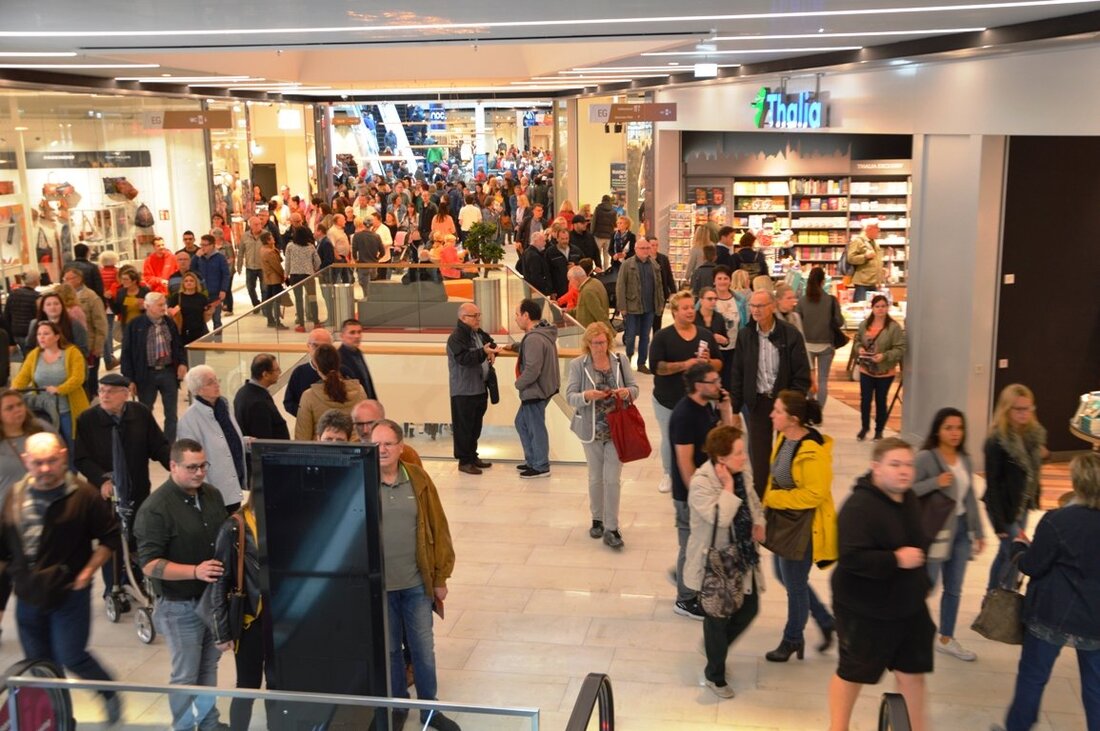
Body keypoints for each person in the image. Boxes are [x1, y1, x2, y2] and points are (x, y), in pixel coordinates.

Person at [0, 432, 122, 724]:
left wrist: (86, 573)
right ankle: (62, 719)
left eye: (51, 461)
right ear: (27, 461)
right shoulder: (15, 496)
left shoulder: (83, 495)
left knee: (71, 654)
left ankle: (109, 693)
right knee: (43, 668)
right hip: (29, 595)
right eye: (38, 462)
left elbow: (110, 537)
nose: (45, 469)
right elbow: (5, 550)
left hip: (69, 593)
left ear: (63, 456)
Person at [828, 438, 933, 731]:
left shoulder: (909, 497)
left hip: (907, 605)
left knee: (912, 672)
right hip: (864, 610)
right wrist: (895, 559)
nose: (904, 471)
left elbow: (918, 543)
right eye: (895, 464)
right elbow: (850, 557)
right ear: (876, 467)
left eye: (908, 465)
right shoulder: (858, 507)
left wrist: (922, 581)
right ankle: (838, 727)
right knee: (854, 673)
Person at [996, 452, 1100, 731]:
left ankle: (1017, 727)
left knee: (1033, 677)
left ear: (1077, 482)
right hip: (1095, 621)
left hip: (1051, 613)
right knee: (1095, 687)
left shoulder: (1057, 521)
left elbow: (1033, 566)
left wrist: (1020, 547)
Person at [368, 419, 460, 731]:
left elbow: (439, 526)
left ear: (400, 447)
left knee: (422, 649)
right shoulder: (362, 483)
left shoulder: (418, 479)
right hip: (380, 588)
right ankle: (398, 706)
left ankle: (429, 709)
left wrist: (440, 578)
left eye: (388, 444)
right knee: (391, 649)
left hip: (416, 586)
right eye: (376, 444)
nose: (381, 450)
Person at [135, 438, 229, 731]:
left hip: (212, 602)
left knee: (208, 667)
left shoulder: (212, 495)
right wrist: (195, 571)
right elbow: (150, 564)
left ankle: (209, 723)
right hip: (179, 607)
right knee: (186, 674)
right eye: (192, 467)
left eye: (203, 465)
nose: (199, 472)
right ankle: (185, 727)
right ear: (173, 466)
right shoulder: (155, 509)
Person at [685, 424, 765, 699]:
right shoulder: (701, 482)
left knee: (750, 608)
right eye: (739, 453)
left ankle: (714, 647)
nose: (744, 457)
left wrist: (759, 522)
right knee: (717, 619)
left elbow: (753, 500)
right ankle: (714, 675)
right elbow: (719, 520)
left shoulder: (742, 471)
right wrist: (729, 488)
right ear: (721, 458)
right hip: (716, 564)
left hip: (743, 556)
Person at [74, 372, 170, 592]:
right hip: (106, 496)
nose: (104, 396)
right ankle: (114, 587)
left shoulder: (140, 414)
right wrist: (102, 480)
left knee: (138, 536)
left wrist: (174, 465)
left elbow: (158, 446)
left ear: (125, 394)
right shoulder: (87, 419)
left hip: (137, 488)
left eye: (111, 391)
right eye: (101, 391)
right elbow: (81, 458)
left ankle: (137, 582)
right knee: (112, 541)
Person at [762, 390, 838, 662]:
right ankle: (826, 621)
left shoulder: (813, 451)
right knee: (786, 577)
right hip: (785, 522)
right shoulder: (784, 437)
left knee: (794, 584)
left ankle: (793, 639)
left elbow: (814, 494)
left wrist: (772, 498)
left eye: (778, 411)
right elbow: (778, 477)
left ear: (793, 419)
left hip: (804, 527)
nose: (772, 414)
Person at [912, 407, 984, 663]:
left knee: (954, 588)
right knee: (927, 586)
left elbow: (970, 497)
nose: (955, 433)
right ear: (938, 430)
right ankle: (908, 631)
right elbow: (908, 489)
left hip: (962, 531)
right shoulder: (926, 458)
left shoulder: (964, 458)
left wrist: (978, 530)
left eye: (959, 428)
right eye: (949, 428)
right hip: (937, 531)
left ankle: (946, 638)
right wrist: (935, 482)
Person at [729, 288, 811, 499]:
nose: (755, 310)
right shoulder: (746, 335)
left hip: (784, 405)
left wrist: (793, 405)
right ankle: (762, 502)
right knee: (759, 457)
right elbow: (737, 372)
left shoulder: (790, 334)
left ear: (772, 307)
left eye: (760, 305)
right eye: (752, 305)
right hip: (758, 404)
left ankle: (785, 496)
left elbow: (801, 374)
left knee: (787, 453)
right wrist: (735, 409)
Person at [669, 362, 735, 619]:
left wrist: (726, 410)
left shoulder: (706, 407)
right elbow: (684, 462)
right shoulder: (684, 415)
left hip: (706, 490)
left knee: (698, 545)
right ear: (699, 386)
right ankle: (685, 599)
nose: (719, 385)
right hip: (690, 495)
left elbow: (726, 441)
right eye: (714, 381)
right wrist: (698, 498)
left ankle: (685, 580)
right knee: (691, 546)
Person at [566, 322, 639, 549]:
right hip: (591, 429)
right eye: (595, 343)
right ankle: (596, 519)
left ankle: (612, 527)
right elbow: (570, 396)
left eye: (603, 342)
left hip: (617, 429)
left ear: (608, 341)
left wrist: (627, 393)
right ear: (587, 344)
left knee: (612, 480)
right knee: (595, 478)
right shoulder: (579, 364)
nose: (599, 347)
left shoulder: (620, 361)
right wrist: (587, 395)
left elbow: (635, 388)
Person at [649, 291, 722, 495]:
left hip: (700, 401)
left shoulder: (705, 335)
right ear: (674, 312)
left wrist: (708, 362)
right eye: (686, 308)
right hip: (667, 400)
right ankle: (668, 473)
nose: (691, 311)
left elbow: (719, 363)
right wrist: (685, 365)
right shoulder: (663, 337)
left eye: (692, 307)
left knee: (701, 437)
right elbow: (657, 367)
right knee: (669, 437)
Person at [983, 383, 1048, 592]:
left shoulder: (1032, 436)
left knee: (1005, 554)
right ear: (1006, 409)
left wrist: (1045, 456)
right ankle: (1002, 599)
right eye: (1018, 408)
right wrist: (1000, 524)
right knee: (1015, 553)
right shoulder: (996, 441)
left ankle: (992, 599)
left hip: (1023, 504)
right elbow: (992, 484)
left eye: (1028, 408)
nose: (1024, 413)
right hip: (1004, 508)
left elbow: (1028, 470)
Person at [0, 390, 50, 636]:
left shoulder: (40, 430)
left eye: (19, 405)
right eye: (9, 408)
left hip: (36, 517)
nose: (17, 410)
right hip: (3, 519)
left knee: (30, 573)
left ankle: (36, 622)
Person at [120, 291, 188, 443]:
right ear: (148, 306)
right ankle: (149, 442)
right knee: (145, 412)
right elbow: (126, 354)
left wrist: (182, 363)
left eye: (164, 304)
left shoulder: (169, 323)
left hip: (168, 372)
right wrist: (129, 380)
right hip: (146, 375)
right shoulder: (135, 325)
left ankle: (168, 444)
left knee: (171, 414)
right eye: (160, 305)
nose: (164, 308)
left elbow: (177, 345)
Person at [178, 366, 246, 514]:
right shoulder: (189, 420)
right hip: (213, 493)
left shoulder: (223, 407)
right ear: (199, 389)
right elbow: (191, 462)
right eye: (210, 382)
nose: (217, 384)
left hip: (233, 485)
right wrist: (204, 495)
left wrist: (245, 441)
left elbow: (228, 438)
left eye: (216, 379)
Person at [13, 320, 88, 448]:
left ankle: (73, 468)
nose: (41, 337)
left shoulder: (72, 353)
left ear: (57, 337)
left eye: (46, 334)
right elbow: (22, 377)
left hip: (67, 409)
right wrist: (13, 392)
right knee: (51, 446)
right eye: (39, 334)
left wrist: (60, 389)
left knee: (73, 445)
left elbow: (78, 378)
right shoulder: (34, 355)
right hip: (45, 410)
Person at [508, 298, 559, 479]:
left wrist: (517, 383)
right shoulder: (541, 333)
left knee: (535, 427)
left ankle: (540, 465)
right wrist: (513, 347)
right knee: (521, 422)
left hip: (535, 390)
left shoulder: (534, 338)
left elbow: (532, 369)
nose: (515, 319)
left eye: (517, 315)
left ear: (526, 315)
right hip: (542, 388)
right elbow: (529, 350)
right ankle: (533, 460)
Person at [446, 303, 499, 475]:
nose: (478, 319)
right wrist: (484, 352)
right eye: (474, 316)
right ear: (463, 318)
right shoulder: (456, 337)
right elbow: (464, 359)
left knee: (475, 426)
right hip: (464, 390)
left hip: (479, 388)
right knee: (464, 428)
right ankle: (464, 461)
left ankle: (472, 456)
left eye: (479, 315)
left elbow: (491, 344)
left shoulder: (478, 333)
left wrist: (491, 351)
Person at [855, 295, 906, 441]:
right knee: (865, 399)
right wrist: (859, 349)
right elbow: (857, 340)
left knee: (881, 400)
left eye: (883, 306)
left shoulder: (894, 327)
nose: (880, 309)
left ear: (887, 307)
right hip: (866, 368)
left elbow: (900, 348)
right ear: (872, 308)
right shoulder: (864, 325)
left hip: (885, 371)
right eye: (877, 306)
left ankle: (879, 430)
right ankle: (864, 427)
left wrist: (884, 356)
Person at [295, 343, 367, 441]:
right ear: (339, 363)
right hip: (352, 452)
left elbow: (302, 437)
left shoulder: (308, 396)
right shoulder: (359, 390)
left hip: (320, 453)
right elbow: (364, 431)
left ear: (316, 366)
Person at [797, 267, 844, 410]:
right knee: (823, 379)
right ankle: (819, 412)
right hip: (826, 344)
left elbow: (797, 322)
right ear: (823, 281)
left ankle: (810, 410)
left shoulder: (802, 301)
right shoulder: (831, 300)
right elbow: (839, 322)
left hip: (806, 345)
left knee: (809, 379)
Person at [616, 237, 665, 374]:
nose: (645, 251)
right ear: (636, 249)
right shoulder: (627, 265)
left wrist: (660, 304)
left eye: (647, 248)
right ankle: (628, 360)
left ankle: (642, 363)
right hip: (632, 307)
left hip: (649, 308)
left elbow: (659, 286)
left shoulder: (654, 265)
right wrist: (622, 306)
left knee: (645, 336)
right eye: (642, 248)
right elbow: (620, 286)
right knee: (630, 337)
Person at [62, 266, 108, 398]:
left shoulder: (91, 297)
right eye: (65, 279)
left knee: (90, 382)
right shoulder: (62, 297)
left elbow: (100, 324)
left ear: (79, 279)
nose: (66, 281)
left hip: (89, 346)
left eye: (69, 278)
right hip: (70, 347)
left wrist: (98, 346)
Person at [351, 400, 423, 467]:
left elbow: (419, 479)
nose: (365, 430)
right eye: (359, 424)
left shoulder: (406, 454)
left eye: (371, 423)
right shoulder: (348, 453)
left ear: (383, 421)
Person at [233, 353, 288, 440]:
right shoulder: (258, 403)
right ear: (265, 374)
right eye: (276, 370)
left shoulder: (243, 392)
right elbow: (264, 440)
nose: (280, 372)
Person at [283, 328, 333, 417]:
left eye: (324, 347)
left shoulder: (343, 371)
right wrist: (307, 416)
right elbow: (289, 402)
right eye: (315, 345)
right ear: (308, 346)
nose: (319, 351)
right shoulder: (299, 373)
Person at [24, 291, 89, 359]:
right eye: (48, 304)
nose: (53, 307)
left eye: (56, 304)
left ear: (62, 306)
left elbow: (83, 350)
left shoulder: (74, 325)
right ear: (43, 308)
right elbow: (29, 348)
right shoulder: (36, 324)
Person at [696, 286, 735, 392]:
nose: (713, 302)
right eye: (709, 299)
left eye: (715, 299)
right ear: (701, 300)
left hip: (715, 360)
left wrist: (724, 341)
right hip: (696, 359)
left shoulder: (719, 317)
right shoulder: (694, 317)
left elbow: (726, 341)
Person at [191, 234, 230, 332]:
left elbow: (226, 274)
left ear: (212, 245)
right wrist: (196, 257)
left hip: (215, 293)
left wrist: (223, 290)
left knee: (216, 319)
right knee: (201, 319)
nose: (202, 247)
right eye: (201, 245)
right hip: (201, 293)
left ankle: (218, 342)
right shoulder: (199, 257)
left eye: (205, 245)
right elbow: (191, 270)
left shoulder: (220, 258)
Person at [167, 271, 213, 345]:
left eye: (191, 281)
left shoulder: (202, 297)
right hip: (183, 332)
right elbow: (169, 312)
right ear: (183, 284)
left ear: (196, 283)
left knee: (199, 355)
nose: (189, 283)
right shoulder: (176, 297)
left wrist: (210, 312)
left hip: (199, 331)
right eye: (186, 281)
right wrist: (174, 311)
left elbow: (206, 313)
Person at [336, 318, 378, 399]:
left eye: (359, 332)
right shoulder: (338, 358)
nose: (357, 336)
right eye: (352, 333)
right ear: (342, 336)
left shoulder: (358, 353)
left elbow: (367, 382)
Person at [4, 270, 41, 356]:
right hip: (30, 332)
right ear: (36, 281)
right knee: (31, 357)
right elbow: (38, 316)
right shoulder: (36, 297)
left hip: (15, 331)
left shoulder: (13, 294)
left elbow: (7, 315)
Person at [847, 219, 882, 302]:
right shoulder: (858, 241)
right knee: (860, 308)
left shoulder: (874, 242)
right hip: (862, 283)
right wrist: (865, 256)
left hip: (873, 282)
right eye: (876, 227)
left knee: (873, 309)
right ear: (869, 228)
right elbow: (850, 258)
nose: (879, 230)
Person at [259, 231, 288, 329]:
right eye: (272, 238)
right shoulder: (270, 252)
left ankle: (270, 320)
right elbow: (276, 266)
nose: (274, 239)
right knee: (276, 301)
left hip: (268, 278)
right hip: (274, 278)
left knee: (269, 299)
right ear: (267, 240)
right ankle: (277, 322)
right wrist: (284, 275)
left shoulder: (263, 249)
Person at [111, 266, 150, 333]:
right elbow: (117, 311)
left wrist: (144, 306)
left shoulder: (144, 291)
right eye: (122, 279)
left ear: (134, 281)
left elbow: (152, 307)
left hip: (143, 325)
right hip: (127, 326)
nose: (123, 282)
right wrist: (110, 299)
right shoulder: (121, 292)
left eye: (126, 279)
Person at [238, 215, 264, 308]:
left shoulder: (265, 234)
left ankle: (265, 307)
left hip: (263, 267)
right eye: (256, 224)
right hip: (250, 267)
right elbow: (241, 251)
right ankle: (256, 304)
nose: (258, 226)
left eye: (259, 224)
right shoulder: (245, 236)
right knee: (250, 288)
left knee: (264, 289)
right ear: (251, 226)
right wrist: (239, 265)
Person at [519, 230, 553, 297]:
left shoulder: (526, 251)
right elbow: (536, 276)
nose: (545, 243)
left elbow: (518, 267)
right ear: (537, 241)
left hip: (530, 288)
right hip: (537, 291)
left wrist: (526, 275)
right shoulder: (534, 256)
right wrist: (546, 287)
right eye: (543, 241)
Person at [592, 195, 618, 268]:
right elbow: (615, 223)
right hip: (609, 236)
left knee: (597, 254)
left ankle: (599, 269)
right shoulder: (613, 211)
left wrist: (592, 233)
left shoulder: (597, 209)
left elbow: (593, 222)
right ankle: (606, 269)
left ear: (602, 200)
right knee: (606, 255)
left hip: (598, 235)